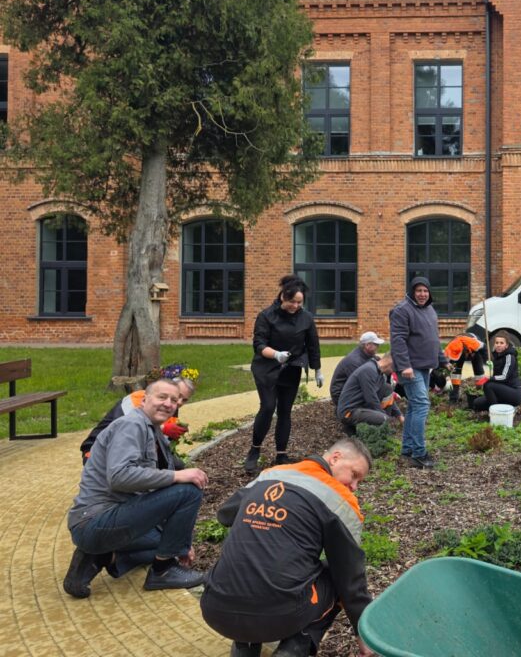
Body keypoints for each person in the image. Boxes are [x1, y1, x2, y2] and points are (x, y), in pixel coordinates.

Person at [201, 438, 375, 657]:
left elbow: (225, 514)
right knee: (336, 574)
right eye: (354, 475)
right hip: (280, 618)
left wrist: (266, 513)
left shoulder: (271, 474)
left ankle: (245, 646)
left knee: (251, 547)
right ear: (335, 458)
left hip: (215, 608)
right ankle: (294, 648)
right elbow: (350, 576)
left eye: (359, 482)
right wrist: (364, 632)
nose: (354, 486)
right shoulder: (341, 500)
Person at [63, 379, 208, 597]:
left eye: (174, 400)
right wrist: (177, 475)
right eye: (162, 397)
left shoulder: (153, 431)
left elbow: (148, 490)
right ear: (144, 399)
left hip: (109, 521)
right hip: (94, 522)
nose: (169, 403)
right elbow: (120, 477)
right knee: (189, 491)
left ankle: (102, 557)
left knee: (169, 542)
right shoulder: (132, 425)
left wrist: (181, 544)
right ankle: (163, 571)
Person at [246, 275, 323, 475]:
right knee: (268, 407)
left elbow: (313, 345)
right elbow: (259, 344)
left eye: (299, 302)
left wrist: (317, 370)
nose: (295, 306)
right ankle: (254, 451)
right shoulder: (266, 316)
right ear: (282, 296)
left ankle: (281, 454)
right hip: (267, 367)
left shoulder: (306, 318)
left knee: (285, 411)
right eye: (292, 302)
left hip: (291, 368)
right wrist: (276, 354)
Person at [80, 366, 198, 465]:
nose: (179, 402)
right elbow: (125, 429)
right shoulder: (138, 398)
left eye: (184, 400)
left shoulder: (172, 407)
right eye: (178, 396)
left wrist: (172, 437)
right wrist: (163, 429)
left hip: (135, 453)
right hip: (97, 450)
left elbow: (161, 444)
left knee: (177, 466)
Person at [389, 276, 448, 469]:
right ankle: (419, 453)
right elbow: (397, 340)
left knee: (415, 406)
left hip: (424, 366)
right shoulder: (402, 310)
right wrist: (404, 365)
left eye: (425, 291)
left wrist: (443, 360)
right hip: (410, 367)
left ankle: (407, 450)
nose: (422, 294)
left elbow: (434, 338)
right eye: (418, 291)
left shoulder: (430, 310)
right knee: (421, 404)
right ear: (412, 292)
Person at [337, 352, 404, 435]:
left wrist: (400, 416)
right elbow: (371, 399)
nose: (395, 371)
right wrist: (386, 418)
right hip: (349, 412)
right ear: (391, 362)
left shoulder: (380, 374)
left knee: (387, 388)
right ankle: (354, 431)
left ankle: (383, 427)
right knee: (384, 419)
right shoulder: (368, 370)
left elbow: (389, 397)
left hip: (362, 408)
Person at [329, 331, 386, 405]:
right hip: (341, 396)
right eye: (376, 344)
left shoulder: (367, 355)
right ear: (367, 345)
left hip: (350, 391)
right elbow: (363, 384)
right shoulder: (354, 361)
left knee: (383, 389)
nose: (378, 346)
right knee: (374, 391)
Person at [474, 332, 521, 412]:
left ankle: (496, 412)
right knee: (477, 403)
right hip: (502, 391)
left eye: (501, 343)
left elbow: (504, 377)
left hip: (514, 392)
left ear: (506, 345)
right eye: (497, 343)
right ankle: (501, 407)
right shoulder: (496, 356)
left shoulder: (509, 357)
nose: (498, 345)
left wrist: (489, 378)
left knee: (488, 385)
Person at [443, 332, 488, 405]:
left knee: (479, 372)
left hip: (475, 350)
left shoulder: (474, 343)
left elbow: (484, 348)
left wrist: (487, 361)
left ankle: (480, 393)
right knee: (455, 375)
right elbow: (445, 363)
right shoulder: (451, 347)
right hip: (460, 352)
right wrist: (447, 376)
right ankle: (453, 398)